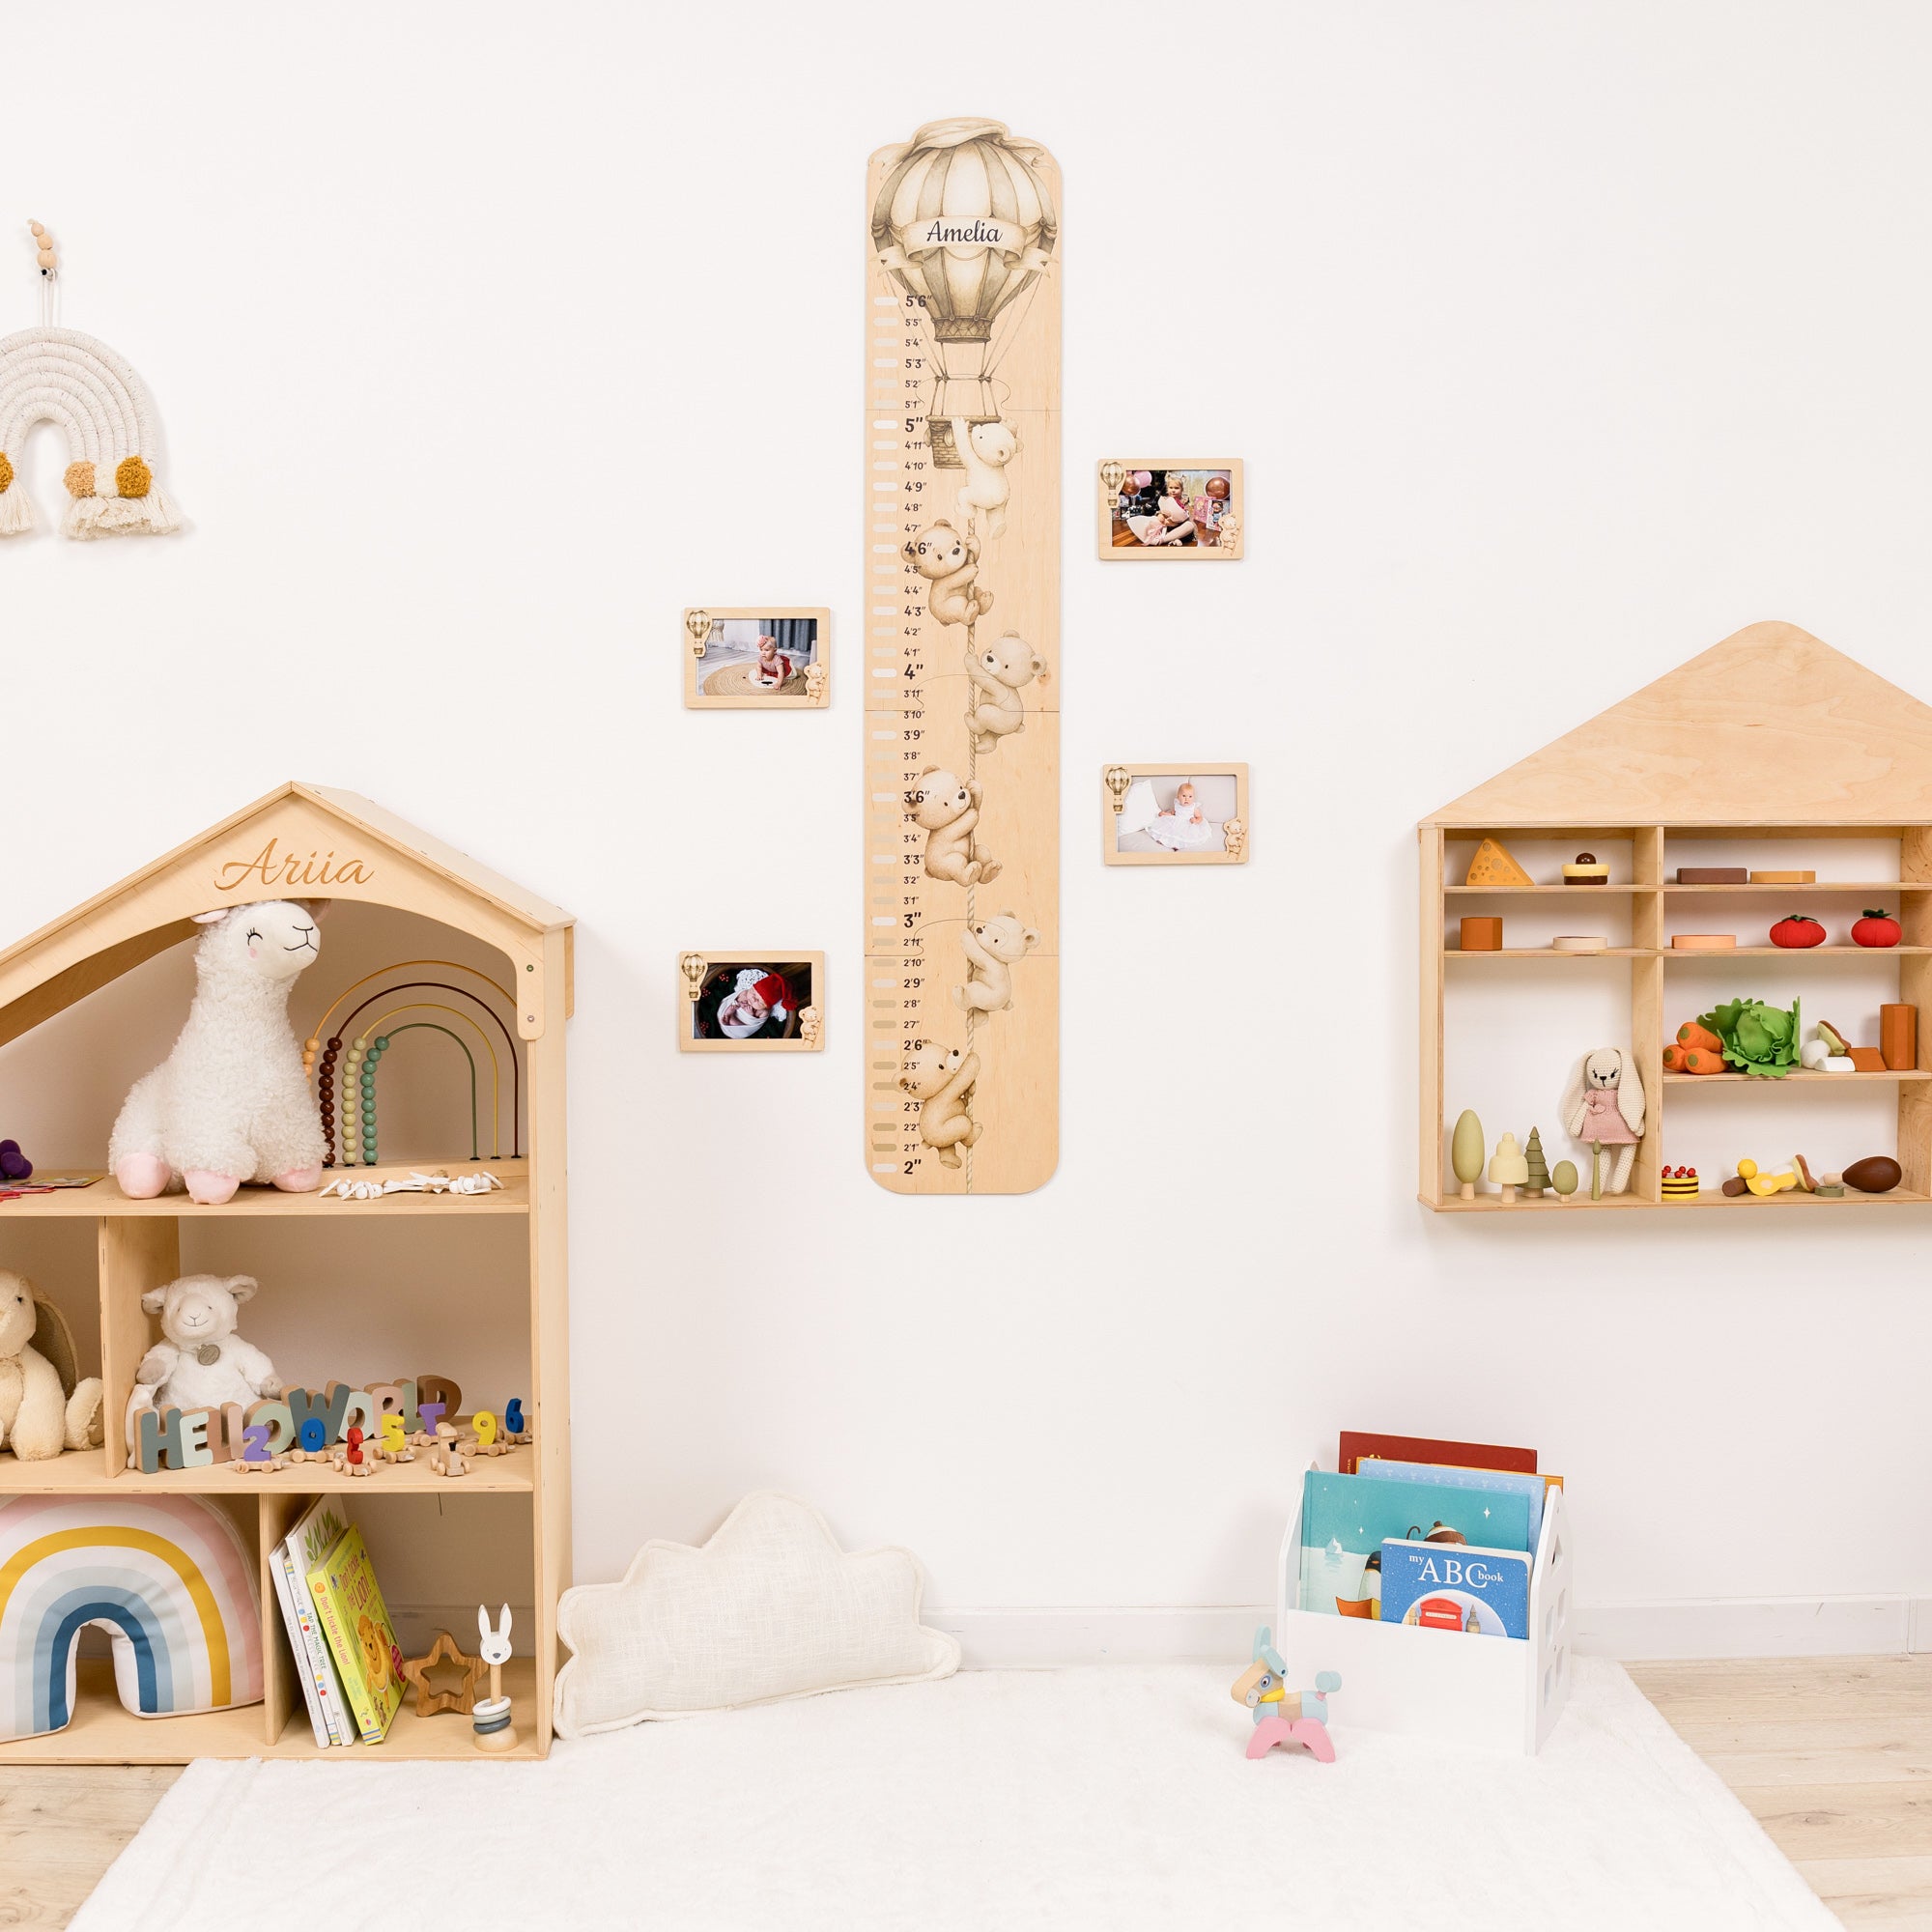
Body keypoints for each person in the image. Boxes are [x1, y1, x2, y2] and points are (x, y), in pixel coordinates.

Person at [713, 969, 791, 1039]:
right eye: (753, 993)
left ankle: (730, 1019)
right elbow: (733, 998)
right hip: (732, 1011)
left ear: (767, 1006)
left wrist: (751, 1015)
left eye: (758, 1000)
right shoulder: (745, 993)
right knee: (728, 1006)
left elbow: (754, 1025)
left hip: (741, 1025)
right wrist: (738, 1002)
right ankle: (728, 1013)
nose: (753, 999)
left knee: (743, 1032)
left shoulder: (764, 1012)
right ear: (752, 987)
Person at [1148, 780, 1216, 851]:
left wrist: (1196, 820)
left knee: (1185, 835)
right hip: (1176, 820)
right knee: (1171, 831)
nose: (1187, 799)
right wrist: (1165, 814)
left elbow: (1200, 817)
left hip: (1188, 823)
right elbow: (1172, 813)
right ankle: (1167, 843)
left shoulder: (1193, 807)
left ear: (1193, 797)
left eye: (1190, 796)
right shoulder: (1176, 804)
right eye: (1184, 796)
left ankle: (1179, 846)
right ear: (1178, 796)